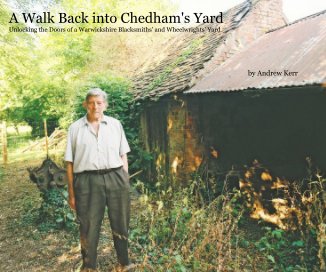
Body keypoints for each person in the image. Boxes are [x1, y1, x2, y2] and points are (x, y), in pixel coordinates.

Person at [65, 88, 132, 272]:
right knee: (88, 225)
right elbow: (69, 163)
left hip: (116, 177)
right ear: (85, 105)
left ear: (105, 105)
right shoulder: (75, 128)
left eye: (99, 102)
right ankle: (89, 267)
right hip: (87, 181)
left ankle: (124, 263)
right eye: (91, 102)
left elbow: (123, 155)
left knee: (121, 221)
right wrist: (71, 193)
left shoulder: (116, 125)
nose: (95, 106)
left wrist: (124, 179)